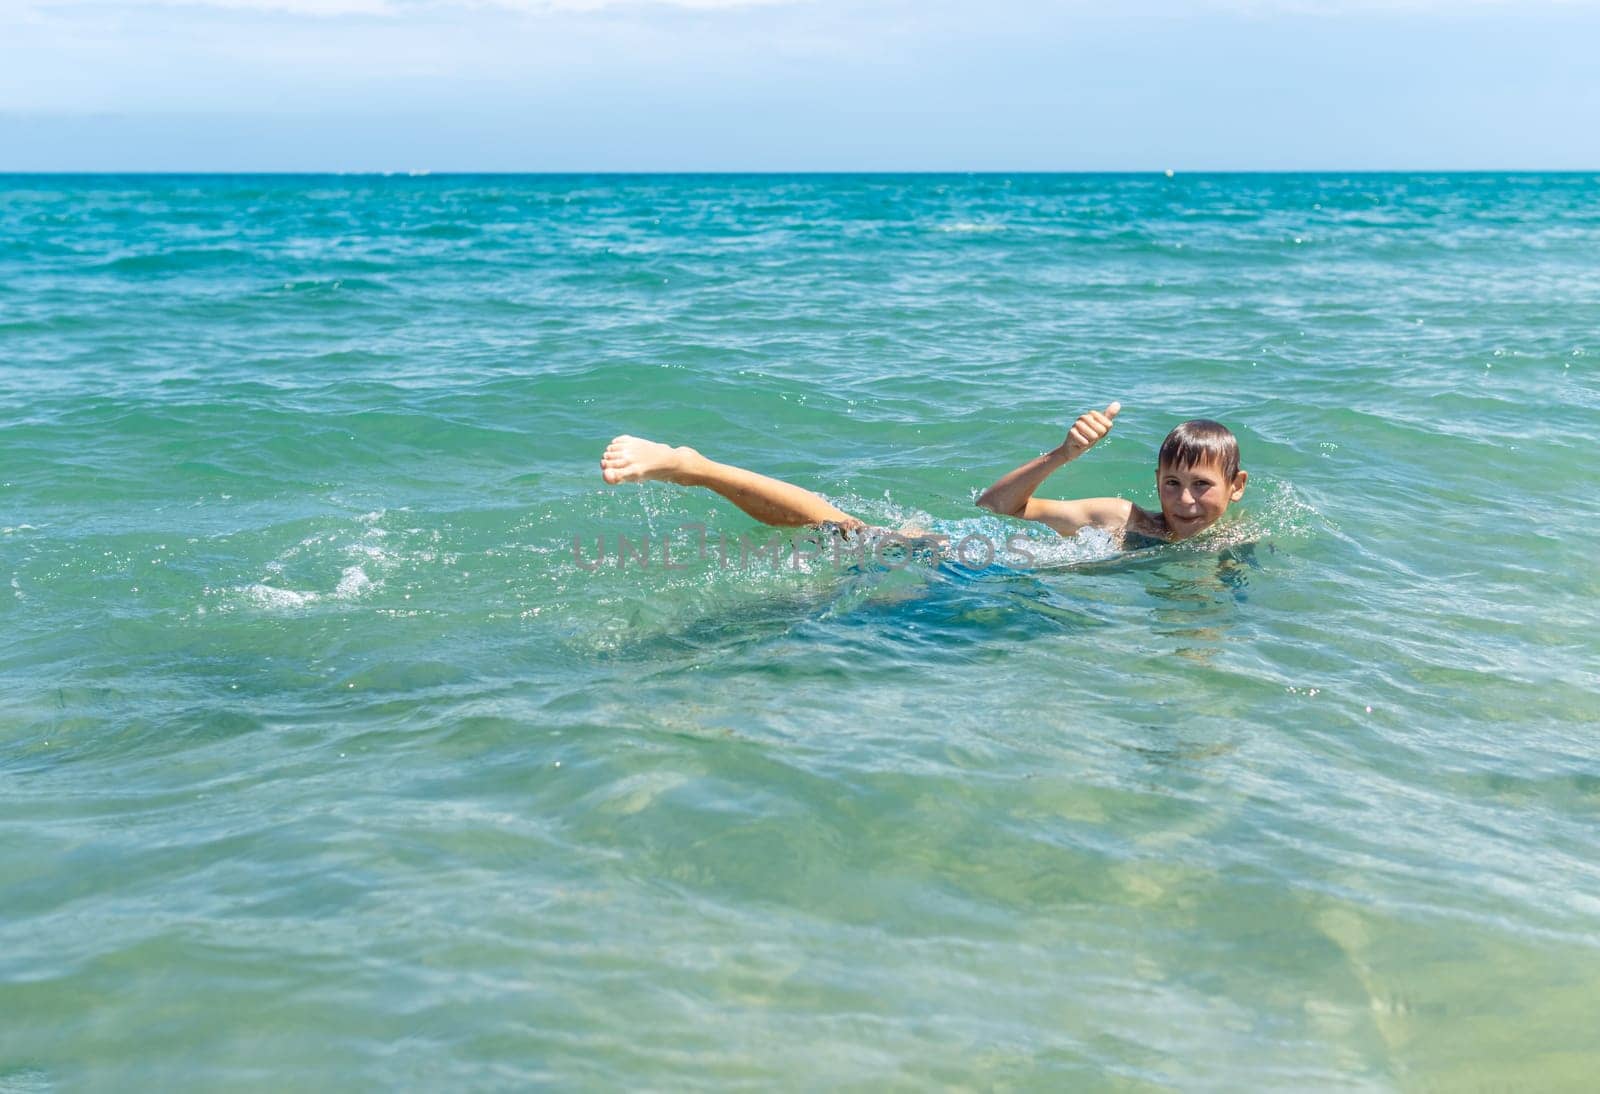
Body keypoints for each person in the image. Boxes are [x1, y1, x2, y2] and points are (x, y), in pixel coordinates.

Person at [598, 402, 1246, 547]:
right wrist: (1063, 456)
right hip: (960, 552)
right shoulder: (1126, 519)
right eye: (1172, 484)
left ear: (1235, 488)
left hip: (981, 589)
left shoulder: (1232, 550)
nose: (1184, 501)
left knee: (833, 541)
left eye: (1201, 487)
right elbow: (996, 507)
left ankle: (698, 469)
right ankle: (693, 466)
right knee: (839, 527)